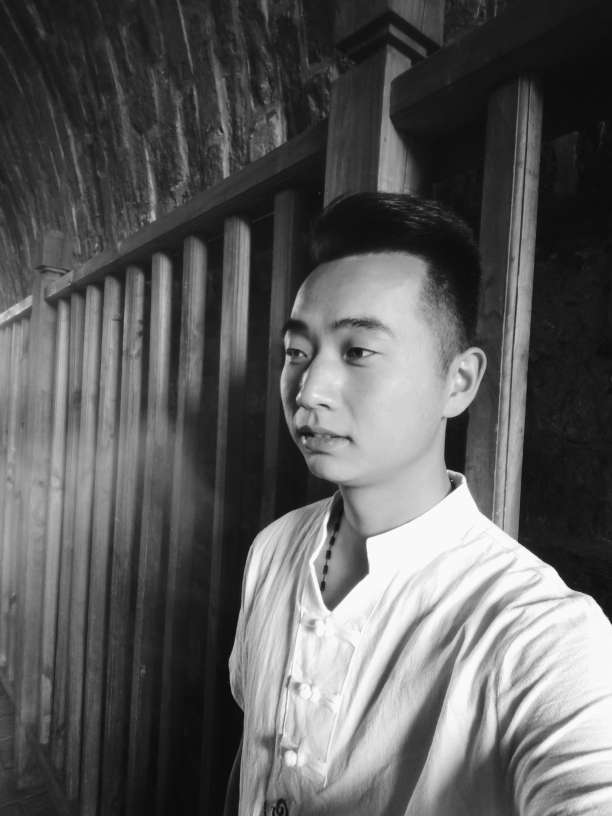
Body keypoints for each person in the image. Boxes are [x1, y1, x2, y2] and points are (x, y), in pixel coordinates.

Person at [224, 193, 612, 816]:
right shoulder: (273, 548)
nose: (309, 389)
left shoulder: (540, 633)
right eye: (297, 352)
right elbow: (256, 757)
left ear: (458, 381)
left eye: (358, 351)